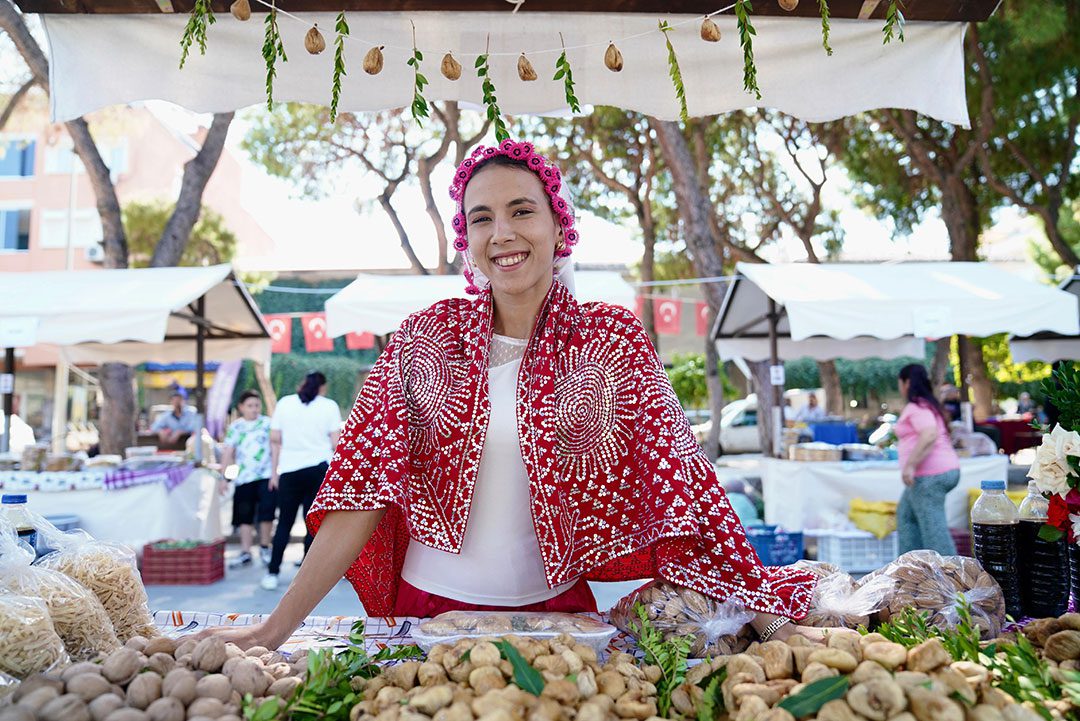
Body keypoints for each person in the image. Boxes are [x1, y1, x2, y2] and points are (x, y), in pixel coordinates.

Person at [198, 139, 817, 650]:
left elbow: (684, 485)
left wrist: (766, 608)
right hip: (427, 616)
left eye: (521, 210)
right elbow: (362, 492)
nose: (502, 234)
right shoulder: (425, 338)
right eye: (481, 218)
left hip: (558, 619)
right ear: (466, 238)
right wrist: (275, 630)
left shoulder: (611, 339)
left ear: (558, 224)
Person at [261, 372, 341, 591]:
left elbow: (275, 441)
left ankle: (273, 572)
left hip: (289, 470)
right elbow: (336, 443)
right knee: (312, 524)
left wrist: (274, 473)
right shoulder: (329, 406)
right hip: (318, 470)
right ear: (322, 388)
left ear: (302, 384)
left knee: (284, 522)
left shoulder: (285, 403)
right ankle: (306, 579)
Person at [896, 364, 960, 555]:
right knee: (906, 517)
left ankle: (952, 576)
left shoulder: (917, 406)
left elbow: (929, 434)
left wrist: (910, 466)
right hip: (932, 474)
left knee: (934, 531)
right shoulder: (927, 404)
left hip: (930, 475)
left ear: (906, 383)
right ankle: (911, 569)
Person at [221, 391, 275, 569]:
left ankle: (265, 547)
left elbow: (276, 448)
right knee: (245, 516)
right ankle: (245, 551)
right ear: (241, 407)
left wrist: (275, 473)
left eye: (257, 405)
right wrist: (223, 477)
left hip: (266, 475)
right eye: (250, 406)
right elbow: (228, 451)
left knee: (267, 514)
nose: (254, 409)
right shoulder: (236, 427)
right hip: (244, 477)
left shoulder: (267, 424)